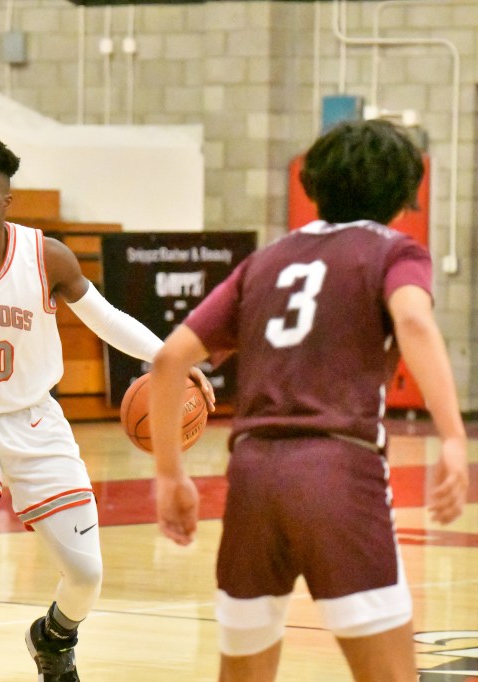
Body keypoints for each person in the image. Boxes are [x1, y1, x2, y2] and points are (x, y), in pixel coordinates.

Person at [0, 133, 213, 682]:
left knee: (86, 576)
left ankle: (53, 637)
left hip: (36, 421)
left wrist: (170, 360)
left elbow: (106, 319)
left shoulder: (45, 256)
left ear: (6, 201)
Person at [149, 120, 469, 682]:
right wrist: (454, 438)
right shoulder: (395, 250)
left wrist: (170, 476)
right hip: (338, 472)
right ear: (404, 199)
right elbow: (415, 320)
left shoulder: (265, 261)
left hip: (252, 477)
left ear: (314, 185)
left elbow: (170, 359)